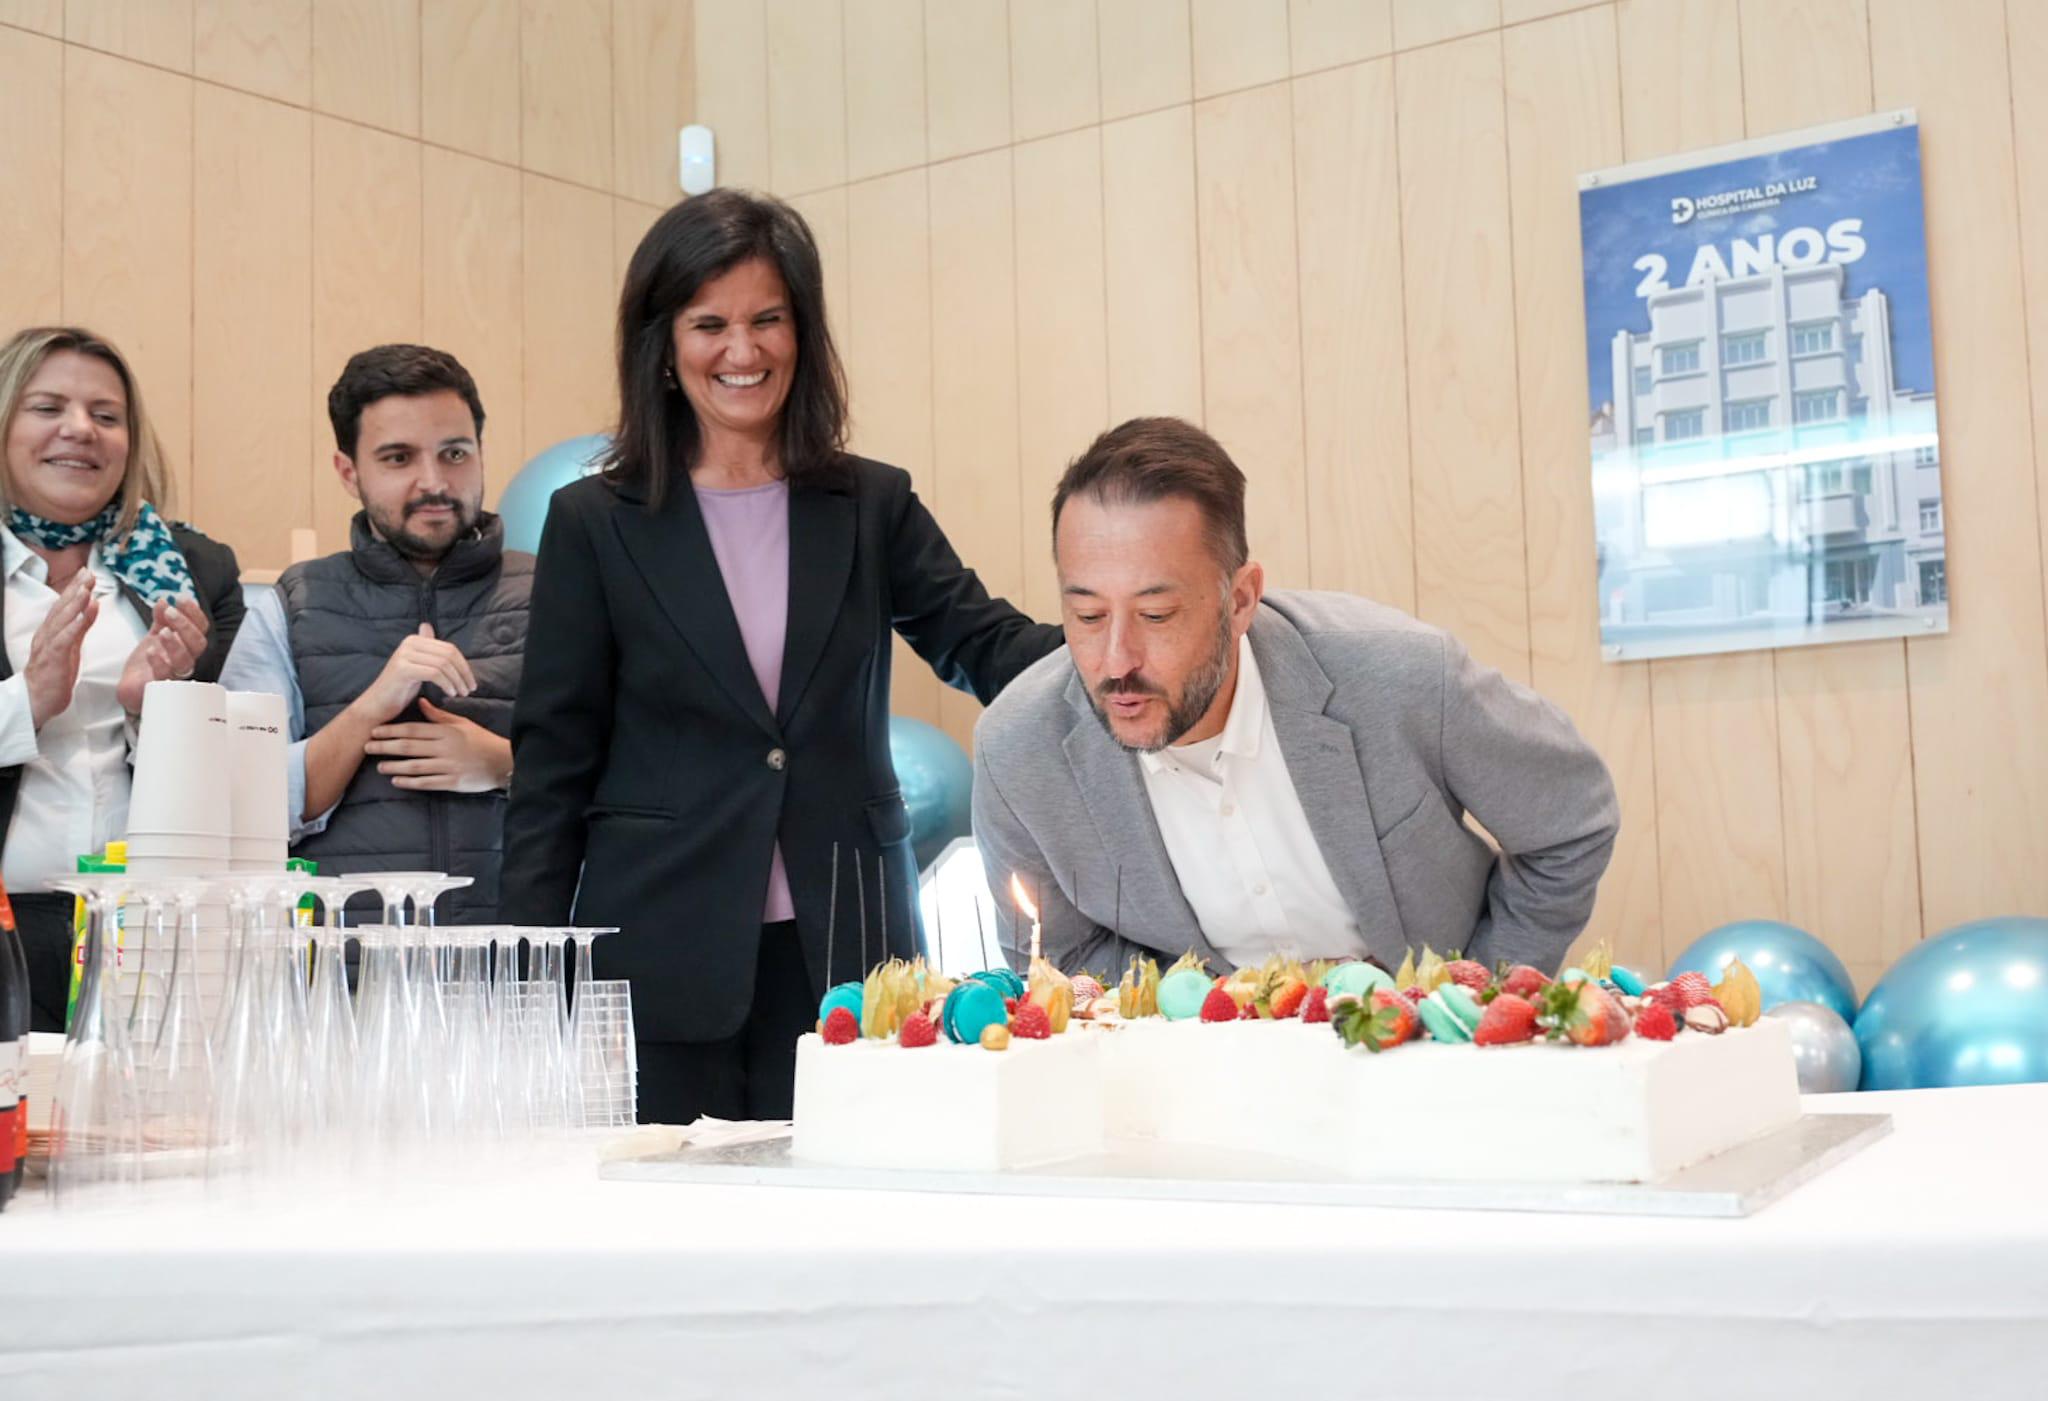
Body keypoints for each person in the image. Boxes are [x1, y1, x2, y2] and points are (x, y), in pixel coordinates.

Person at [501, 189, 1062, 1124]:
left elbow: (982, 641)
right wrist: (527, 972)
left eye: (769, 320)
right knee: (682, 1232)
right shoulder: (595, 524)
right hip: (664, 948)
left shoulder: (871, 503)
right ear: (663, 345)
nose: (743, 350)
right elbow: (553, 762)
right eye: (709, 324)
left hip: (849, 949)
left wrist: (1120, 641)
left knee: (851, 1225)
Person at [973, 417, 1619, 976]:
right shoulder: (1017, 753)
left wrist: (1474, 997)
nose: (1116, 660)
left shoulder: (1403, 676)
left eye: (1158, 615)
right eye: (1086, 617)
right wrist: (1229, 1013)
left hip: (1435, 1073)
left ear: (1241, 599)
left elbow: (1572, 821)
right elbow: (1059, 956)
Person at [219, 345, 529, 923]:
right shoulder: (293, 603)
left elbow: (635, 784)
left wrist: (506, 765)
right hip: (343, 974)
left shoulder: (556, 590)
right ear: (348, 472)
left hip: (521, 971)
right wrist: (369, 709)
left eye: (454, 453)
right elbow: (239, 809)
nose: (433, 482)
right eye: (398, 458)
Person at [0, 327, 244, 1030]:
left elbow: (228, 783)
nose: (81, 430)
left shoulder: (194, 572)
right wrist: (28, 702)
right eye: (48, 407)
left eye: (106, 416)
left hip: (148, 932)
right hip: (9, 925)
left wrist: (155, 712)